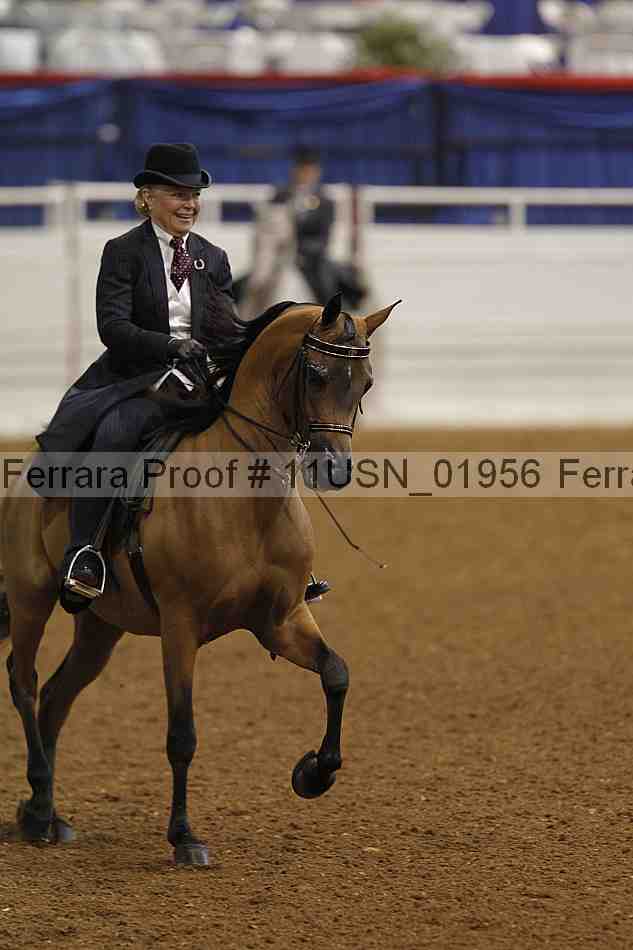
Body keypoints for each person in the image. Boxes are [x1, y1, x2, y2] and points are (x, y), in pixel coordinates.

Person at [37, 142, 329, 613]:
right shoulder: (123, 252)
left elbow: (224, 328)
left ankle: (282, 555)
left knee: (259, 434)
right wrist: (169, 346)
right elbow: (112, 327)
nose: (189, 203)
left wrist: (266, 333)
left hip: (195, 381)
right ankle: (84, 552)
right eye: (177, 194)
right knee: (115, 433)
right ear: (148, 198)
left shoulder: (212, 257)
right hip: (135, 379)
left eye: (193, 195)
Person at [237, 147, 366, 320]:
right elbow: (267, 229)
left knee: (326, 284)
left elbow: (324, 237)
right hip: (278, 254)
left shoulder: (325, 201)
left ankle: (331, 318)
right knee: (252, 281)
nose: (305, 174)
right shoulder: (280, 195)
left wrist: (302, 253)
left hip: (310, 257)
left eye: (309, 170)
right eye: (302, 169)